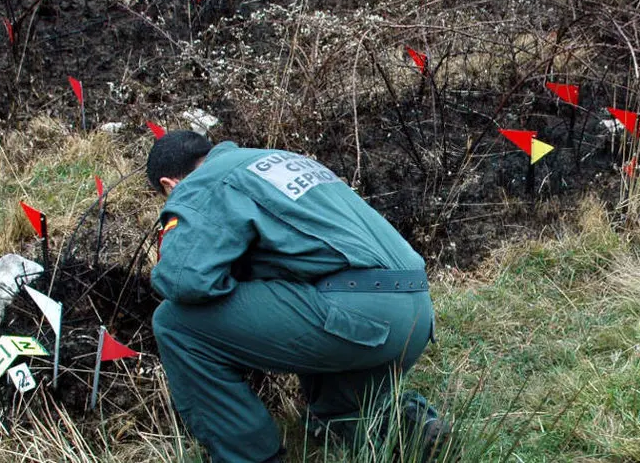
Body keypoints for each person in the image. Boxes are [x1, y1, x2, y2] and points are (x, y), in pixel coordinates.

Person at [147, 131, 448, 463]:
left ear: (169, 185)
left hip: (360, 311)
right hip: (414, 311)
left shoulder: (202, 183)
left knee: (174, 323)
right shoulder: (275, 160)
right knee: (335, 415)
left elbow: (184, 281)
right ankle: (412, 428)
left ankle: (251, 457)